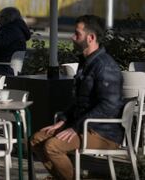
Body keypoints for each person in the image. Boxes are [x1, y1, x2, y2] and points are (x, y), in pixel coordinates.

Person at [30, 15, 124, 180]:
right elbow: (80, 101)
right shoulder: (86, 63)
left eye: (77, 34)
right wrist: (65, 119)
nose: (73, 37)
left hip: (104, 133)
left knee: (52, 147)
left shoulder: (105, 66)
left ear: (91, 38)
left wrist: (75, 127)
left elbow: (109, 105)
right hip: (84, 126)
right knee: (36, 140)